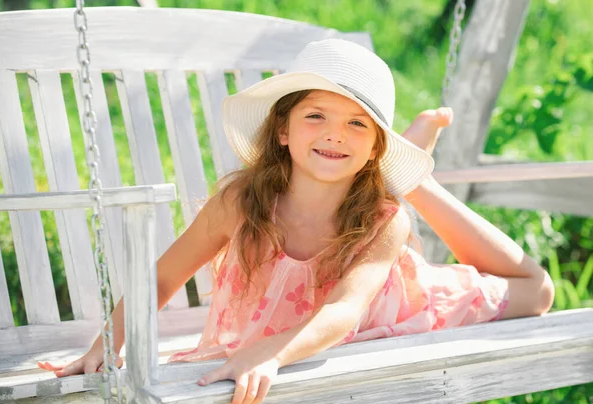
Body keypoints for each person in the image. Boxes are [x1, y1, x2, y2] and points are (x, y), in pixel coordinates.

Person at [38, 39, 554, 404]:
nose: (335, 134)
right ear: (282, 130)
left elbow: (346, 309)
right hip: (303, 325)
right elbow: (164, 276)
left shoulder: (382, 220)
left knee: (537, 291)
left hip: (387, 308)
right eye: (316, 116)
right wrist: (110, 340)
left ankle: (419, 178)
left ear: (374, 148)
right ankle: (412, 165)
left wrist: (273, 353)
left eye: (357, 124)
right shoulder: (242, 201)